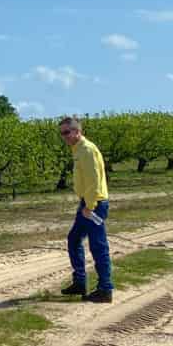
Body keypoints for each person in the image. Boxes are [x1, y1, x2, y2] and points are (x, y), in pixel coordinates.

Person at [58, 116, 113, 303]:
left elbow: (94, 181)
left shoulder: (87, 150)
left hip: (94, 204)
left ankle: (105, 289)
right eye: (62, 133)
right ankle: (80, 282)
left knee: (98, 246)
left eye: (67, 132)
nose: (64, 136)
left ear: (77, 131)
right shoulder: (78, 150)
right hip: (87, 203)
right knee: (74, 239)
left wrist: (89, 207)